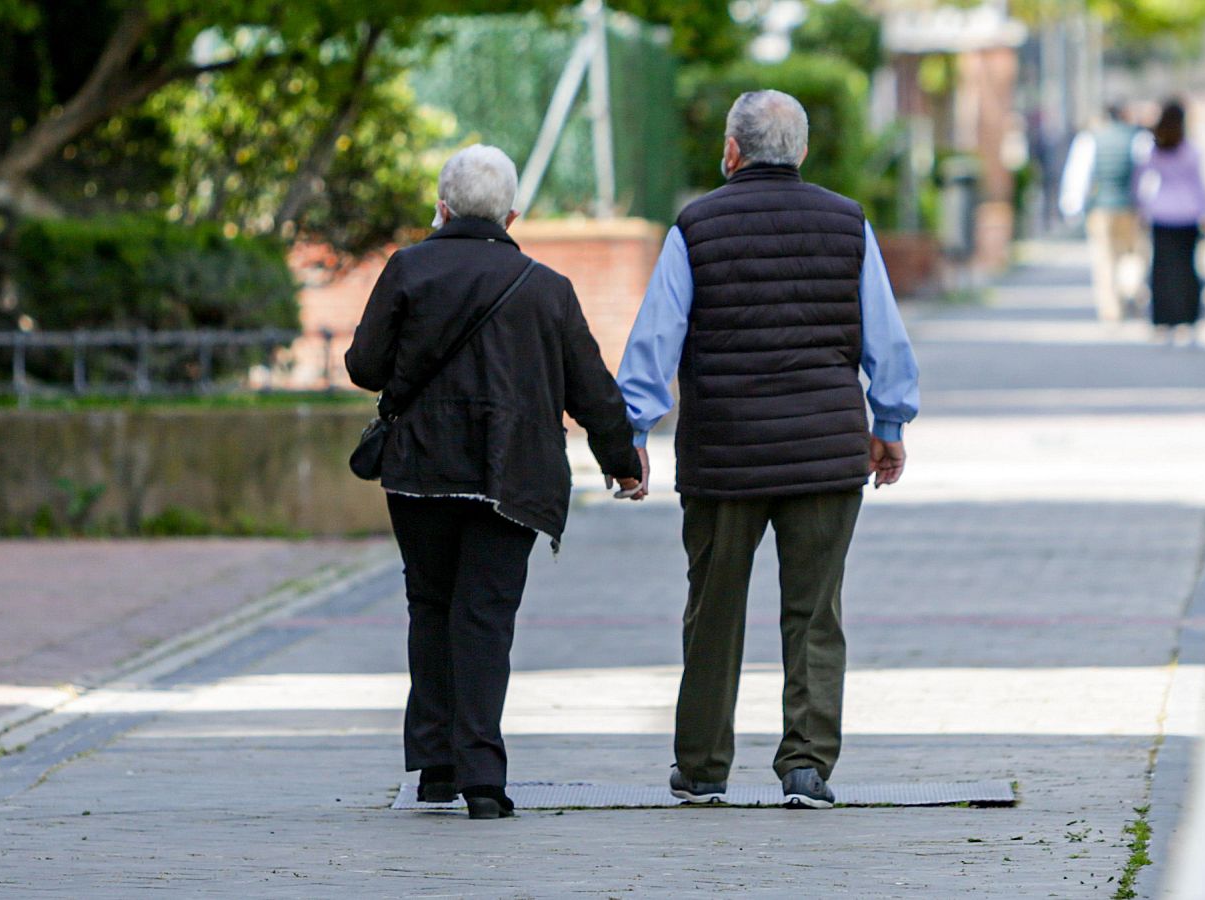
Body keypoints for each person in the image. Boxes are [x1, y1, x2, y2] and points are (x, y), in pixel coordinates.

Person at [617, 90, 919, 810]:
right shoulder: (848, 223)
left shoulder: (696, 227)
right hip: (825, 453)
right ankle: (806, 766)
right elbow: (885, 337)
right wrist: (890, 422)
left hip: (725, 455)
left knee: (713, 612)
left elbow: (656, 339)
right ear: (802, 151)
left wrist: (632, 433)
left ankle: (702, 767)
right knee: (815, 615)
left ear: (731, 150)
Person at [346, 145, 642, 820]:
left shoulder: (408, 269)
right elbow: (591, 388)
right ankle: (482, 777)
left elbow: (365, 367)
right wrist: (621, 459)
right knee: (485, 616)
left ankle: (435, 767)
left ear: (442, 209)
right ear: (512, 216)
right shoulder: (546, 288)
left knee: (430, 605)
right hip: (513, 476)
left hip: (420, 471)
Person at [1059, 103, 1149, 321]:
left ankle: (1111, 309)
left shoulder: (1090, 139)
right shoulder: (1138, 137)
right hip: (1131, 207)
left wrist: (1072, 207)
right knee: (1133, 255)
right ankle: (1130, 288)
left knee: (1104, 259)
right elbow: (1147, 176)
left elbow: (1078, 175)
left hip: (1101, 208)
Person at [1135, 100, 1205, 342]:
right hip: (1187, 213)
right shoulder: (1190, 150)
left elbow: (1140, 179)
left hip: (1162, 213)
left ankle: (1163, 317)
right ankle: (1186, 316)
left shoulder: (1155, 148)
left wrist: (1141, 207)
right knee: (1186, 268)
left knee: (1163, 268)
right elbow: (1200, 185)